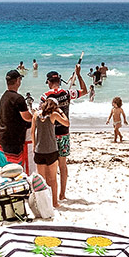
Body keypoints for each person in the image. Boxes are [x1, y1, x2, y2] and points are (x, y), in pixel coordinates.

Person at [41, 65, 88, 204]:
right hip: (64, 133)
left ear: (49, 82)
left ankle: (52, 193)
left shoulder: (45, 96)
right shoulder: (67, 94)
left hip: (50, 135)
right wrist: (78, 75)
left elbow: (41, 116)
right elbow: (84, 91)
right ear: (59, 81)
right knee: (63, 165)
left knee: (51, 166)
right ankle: (62, 194)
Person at [32, 98, 69, 206]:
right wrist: (61, 111)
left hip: (39, 150)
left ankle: (43, 203)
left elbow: (33, 131)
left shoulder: (36, 115)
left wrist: (34, 145)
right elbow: (67, 123)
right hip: (51, 150)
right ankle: (54, 203)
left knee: (42, 180)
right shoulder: (54, 115)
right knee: (52, 179)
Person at [0, 69, 33, 172]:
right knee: (15, 170)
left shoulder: (4, 96)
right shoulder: (18, 99)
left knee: (5, 170)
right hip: (13, 139)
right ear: (18, 81)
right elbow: (27, 117)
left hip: (2, 136)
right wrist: (36, 115)